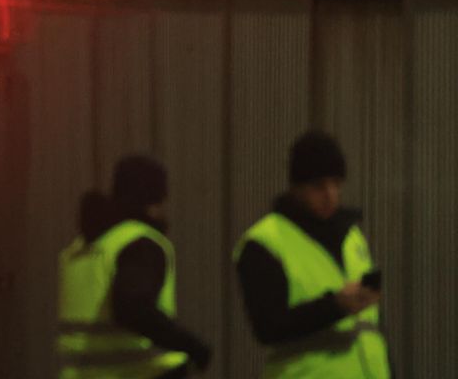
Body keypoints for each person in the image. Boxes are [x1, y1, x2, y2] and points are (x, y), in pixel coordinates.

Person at [234, 131, 389, 378]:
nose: (330, 195)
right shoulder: (264, 242)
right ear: (296, 187)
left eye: (336, 184)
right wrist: (335, 305)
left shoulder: (352, 236)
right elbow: (268, 327)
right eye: (319, 186)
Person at [57, 156, 211, 378]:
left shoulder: (80, 251)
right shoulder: (139, 244)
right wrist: (192, 347)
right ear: (153, 200)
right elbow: (133, 308)